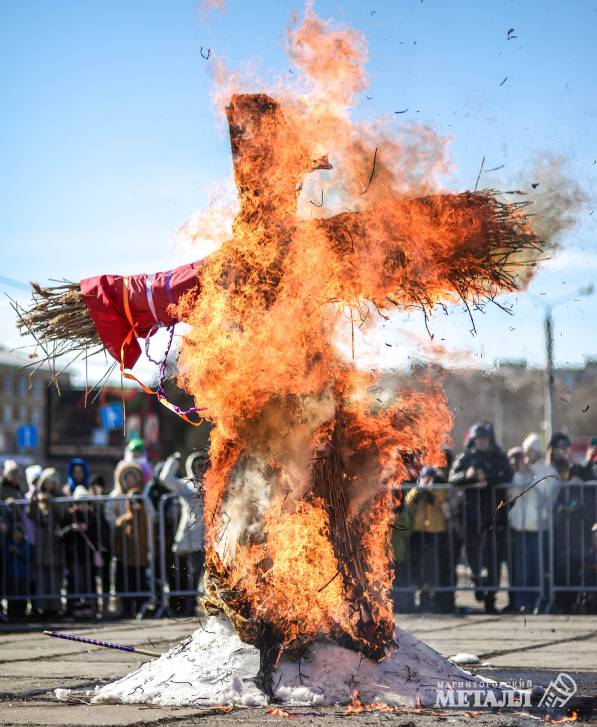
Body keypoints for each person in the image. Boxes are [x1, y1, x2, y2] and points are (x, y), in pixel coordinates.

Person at [449, 421, 513, 613]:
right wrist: (469, 476)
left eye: (484, 439)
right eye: (478, 439)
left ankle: (491, 597)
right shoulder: (466, 457)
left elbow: (507, 475)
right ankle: (478, 580)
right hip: (471, 514)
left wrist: (488, 479)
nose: (481, 442)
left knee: (492, 556)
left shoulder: (498, 457)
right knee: (473, 552)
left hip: (493, 516)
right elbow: (453, 479)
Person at [507, 437, 558, 613]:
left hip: (537, 527)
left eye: (532, 450)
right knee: (521, 567)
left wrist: (543, 516)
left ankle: (538, 600)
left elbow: (549, 496)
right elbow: (511, 493)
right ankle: (522, 601)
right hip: (520, 526)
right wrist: (521, 472)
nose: (529, 455)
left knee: (537, 567)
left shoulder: (547, 470)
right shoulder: (518, 471)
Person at [550, 432, 596, 612]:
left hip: (579, 528)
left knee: (576, 565)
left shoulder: (578, 469)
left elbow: (588, 477)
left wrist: (588, 461)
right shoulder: (555, 470)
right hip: (561, 529)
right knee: (561, 567)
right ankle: (561, 602)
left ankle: (572, 602)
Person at [159, 451, 207, 615]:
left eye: (204, 464)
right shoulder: (185, 484)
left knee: (200, 572)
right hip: (189, 533)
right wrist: (173, 460)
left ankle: (196, 604)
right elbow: (166, 478)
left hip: (209, 533)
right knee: (188, 572)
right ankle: (186, 605)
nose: (201, 467)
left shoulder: (214, 483)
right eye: (197, 464)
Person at [405, 466, 454, 613]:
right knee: (419, 564)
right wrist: (420, 489)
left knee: (433, 565)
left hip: (436, 531)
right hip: (419, 531)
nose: (427, 480)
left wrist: (431, 489)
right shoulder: (417, 490)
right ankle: (422, 597)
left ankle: (432, 597)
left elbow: (441, 502)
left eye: (429, 477)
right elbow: (409, 502)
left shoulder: (439, 489)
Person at [59, 485, 107, 618]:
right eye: (80, 502)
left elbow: (99, 535)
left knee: (90, 583)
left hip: (89, 557)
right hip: (74, 556)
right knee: (74, 583)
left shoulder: (92, 517)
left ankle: (91, 610)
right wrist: (71, 528)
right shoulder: (69, 516)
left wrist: (87, 529)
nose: (83, 505)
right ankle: (73, 611)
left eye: (85, 502)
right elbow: (60, 534)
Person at [113, 466, 152, 618]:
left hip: (141, 558)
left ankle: (141, 609)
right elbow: (117, 535)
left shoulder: (145, 517)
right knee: (126, 583)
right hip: (126, 558)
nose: (136, 504)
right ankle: (127, 609)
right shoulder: (123, 520)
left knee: (140, 582)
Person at [28, 468, 65, 619]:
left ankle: (54, 608)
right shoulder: (37, 497)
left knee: (55, 578)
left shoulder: (60, 497)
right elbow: (30, 514)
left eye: (52, 482)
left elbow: (61, 514)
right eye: (47, 482)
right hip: (41, 542)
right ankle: (41, 607)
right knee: (41, 577)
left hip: (55, 543)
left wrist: (51, 502)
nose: (50, 485)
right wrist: (34, 501)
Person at [3, 524, 33, 621]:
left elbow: (28, 557)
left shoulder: (26, 544)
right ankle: (11, 613)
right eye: (15, 533)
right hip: (11, 574)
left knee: (22, 594)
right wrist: (10, 552)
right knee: (11, 595)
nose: (16, 535)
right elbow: (4, 559)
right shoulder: (8, 544)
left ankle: (22, 613)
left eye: (18, 533)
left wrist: (18, 552)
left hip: (22, 575)